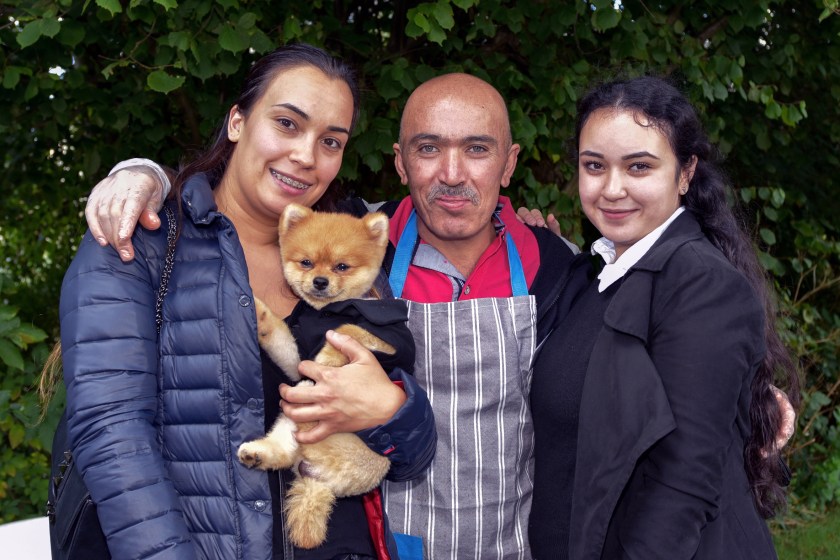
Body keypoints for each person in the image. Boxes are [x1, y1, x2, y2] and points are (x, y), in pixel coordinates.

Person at [83, 73, 587, 559]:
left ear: (508, 163)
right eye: (428, 148)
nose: (452, 174)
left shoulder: (559, 267)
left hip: (513, 543)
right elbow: (234, 203)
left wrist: (391, 409)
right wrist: (143, 174)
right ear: (400, 162)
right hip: (382, 541)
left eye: (477, 149)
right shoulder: (354, 238)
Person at [53, 43, 436, 560]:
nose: (306, 156)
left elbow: (414, 456)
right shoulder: (141, 241)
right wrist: (143, 172)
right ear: (237, 121)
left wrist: (391, 410)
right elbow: (111, 435)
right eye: (287, 123)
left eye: (331, 141)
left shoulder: (347, 250)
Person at [527, 76, 800, 559]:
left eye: (639, 166)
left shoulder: (701, 284)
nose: (612, 189)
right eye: (594, 166)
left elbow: (682, 486)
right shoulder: (599, 276)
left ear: (685, 172)